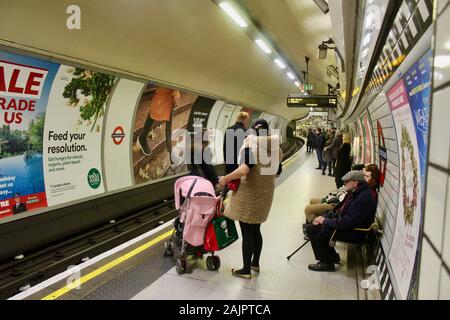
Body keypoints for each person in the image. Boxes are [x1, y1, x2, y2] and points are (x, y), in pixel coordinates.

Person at [219, 119, 283, 280]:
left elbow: (245, 169)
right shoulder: (277, 149)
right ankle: (255, 263)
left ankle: (246, 269)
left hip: (249, 196)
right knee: (256, 230)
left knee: (247, 232)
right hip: (265, 195)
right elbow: (278, 172)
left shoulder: (251, 145)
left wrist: (226, 178)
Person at [305, 170, 378, 272]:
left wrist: (325, 221)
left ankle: (327, 263)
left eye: (346, 182)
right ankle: (332, 258)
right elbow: (342, 213)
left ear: (355, 182)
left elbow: (347, 222)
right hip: (350, 227)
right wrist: (325, 218)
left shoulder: (363, 197)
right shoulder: (357, 192)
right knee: (315, 226)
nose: (344, 184)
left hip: (356, 232)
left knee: (314, 229)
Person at [304, 164, 381, 225]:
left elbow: (350, 216)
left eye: (367, 176)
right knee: (312, 201)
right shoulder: (361, 188)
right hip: (340, 206)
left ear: (373, 179)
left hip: (339, 207)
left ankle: (312, 225)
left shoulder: (367, 194)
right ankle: (312, 225)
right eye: (363, 175)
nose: (363, 178)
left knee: (308, 209)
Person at [137, 87, 181, 157]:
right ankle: (142, 137)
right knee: (155, 110)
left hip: (173, 86)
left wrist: (176, 88)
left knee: (169, 119)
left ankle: (170, 151)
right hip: (166, 84)